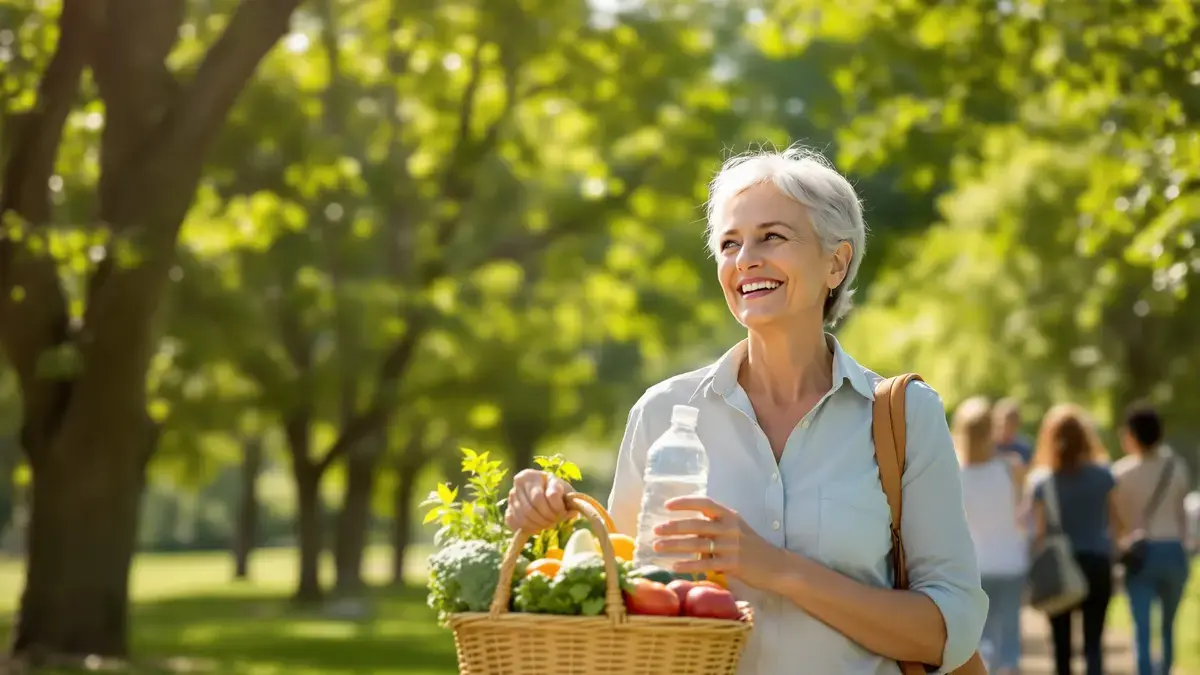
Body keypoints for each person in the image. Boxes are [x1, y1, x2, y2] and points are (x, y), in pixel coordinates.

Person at [505, 145, 988, 674]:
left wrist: (776, 569)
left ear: (836, 262)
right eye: (729, 244)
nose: (745, 260)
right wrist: (551, 515)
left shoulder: (905, 417)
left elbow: (948, 631)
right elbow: (617, 596)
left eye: (772, 237)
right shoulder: (662, 413)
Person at [1028, 404, 1120, 675]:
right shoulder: (1104, 476)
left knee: (1061, 645)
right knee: (1094, 642)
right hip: (1097, 563)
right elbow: (1116, 523)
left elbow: (1041, 534)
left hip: (1060, 566)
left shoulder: (1043, 483)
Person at [1112, 402, 1192, 675]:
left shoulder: (1121, 473)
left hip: (1140, 553)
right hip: (1174, 549)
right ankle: (1166, 669)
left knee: (1142, 627)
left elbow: (1117, 521)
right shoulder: (1177, 467)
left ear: (1132, 434)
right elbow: (1182, 514)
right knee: (1169, 625)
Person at [954, 396, 1026, 675]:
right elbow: (1020, 512)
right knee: (1009, 637)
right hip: (1011, 560)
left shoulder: (955, 473)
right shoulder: (1012, 467)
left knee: (981, 639)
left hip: (976, 564)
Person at [993, 398, 1034, 466]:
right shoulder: (985, 447)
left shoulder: (1025, 448)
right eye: (999, 426)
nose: (1002, 430)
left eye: (1008, 425)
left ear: (1017, 424)